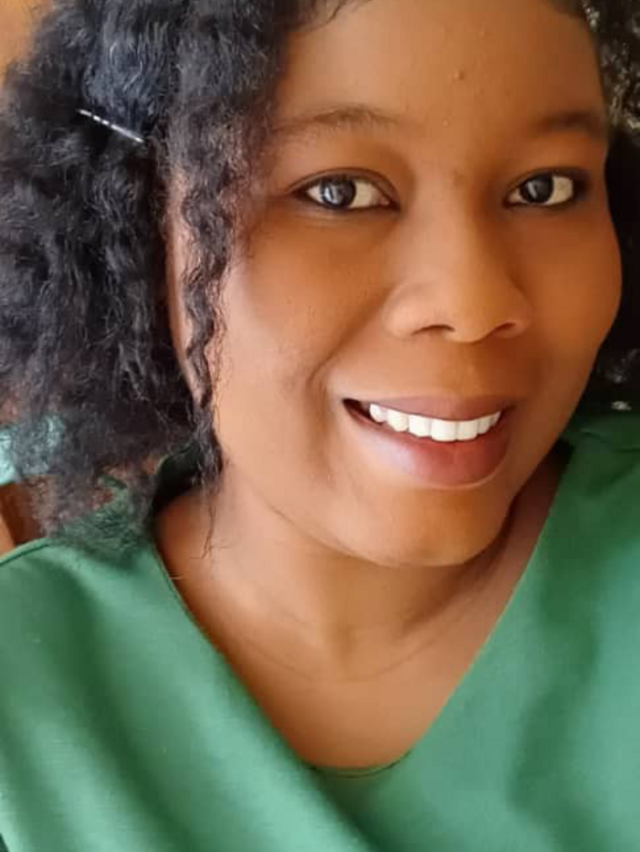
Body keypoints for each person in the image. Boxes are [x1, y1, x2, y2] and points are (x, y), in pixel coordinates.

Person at [0, 0, 639, 848]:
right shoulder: (23, 693)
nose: (473, 303)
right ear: (138, 224)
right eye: (340, 193)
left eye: (544, 188)